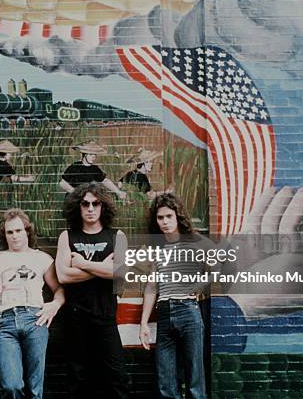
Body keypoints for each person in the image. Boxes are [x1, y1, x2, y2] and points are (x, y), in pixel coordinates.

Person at [0, 208, 65, 398]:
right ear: (4, 235)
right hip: (5, 323)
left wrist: (54, 305)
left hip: (35, 319)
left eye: (19, 230)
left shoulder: (42, 258)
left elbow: (59, 290)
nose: (14, 236)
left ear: (27, 231)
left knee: (35, 387)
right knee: (11, 385)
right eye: (10, 232)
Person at [55, 182, 129, 398]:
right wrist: (104, 266)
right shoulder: (67, 237)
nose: (90, 208)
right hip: (76, 319)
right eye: (85, 203)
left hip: (106, 317)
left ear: (102, 206)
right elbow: (63, 276)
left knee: (117, 378)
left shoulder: (117, 236)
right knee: (78, 379)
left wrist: (82, 263)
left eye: (95, 203)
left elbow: (121, 273)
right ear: (78, 207)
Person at [139, 193, 209, 399]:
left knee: (195, 378)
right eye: (160, 218)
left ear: (178, 216)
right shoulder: (158, 248)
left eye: (169, 216)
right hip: (164, 313)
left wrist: (201, 284)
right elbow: (152, 286)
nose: (165, 222)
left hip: (188, 310)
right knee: (166, 381)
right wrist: (143, 323)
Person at [59, 141, 126, 200]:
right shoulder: (74, 167)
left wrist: (118, 192)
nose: (93, 157)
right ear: (84, 155)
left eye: (94, 155)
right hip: (73, 200)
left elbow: (105, 181)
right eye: (90, 154)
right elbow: (62, 183)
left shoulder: (95, 169)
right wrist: (75, 192)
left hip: (88, 200)